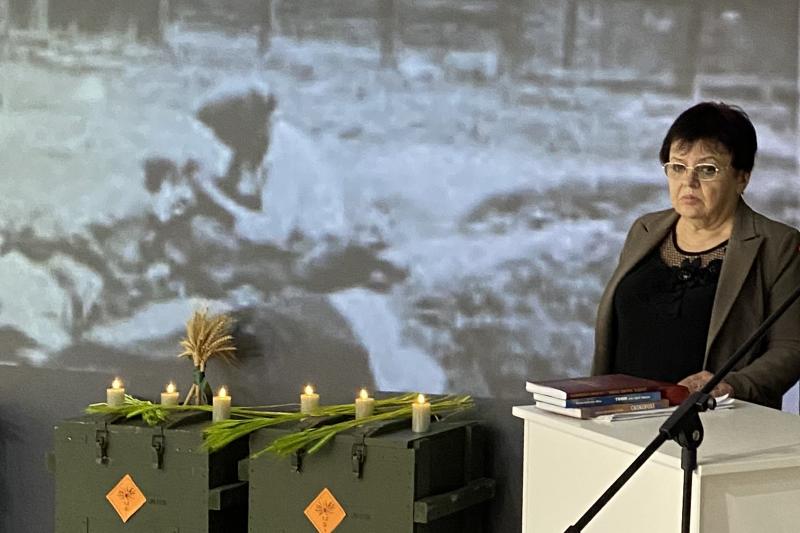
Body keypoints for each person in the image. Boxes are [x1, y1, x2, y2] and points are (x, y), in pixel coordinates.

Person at [592, 102, 800, 409]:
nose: (688, 182)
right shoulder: (645, 229)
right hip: (621, 416)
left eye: (707, 169)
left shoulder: (777, 245)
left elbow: (791, 348)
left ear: (742, 177)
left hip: (711, 422)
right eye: (678, 167)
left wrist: (730, 386)